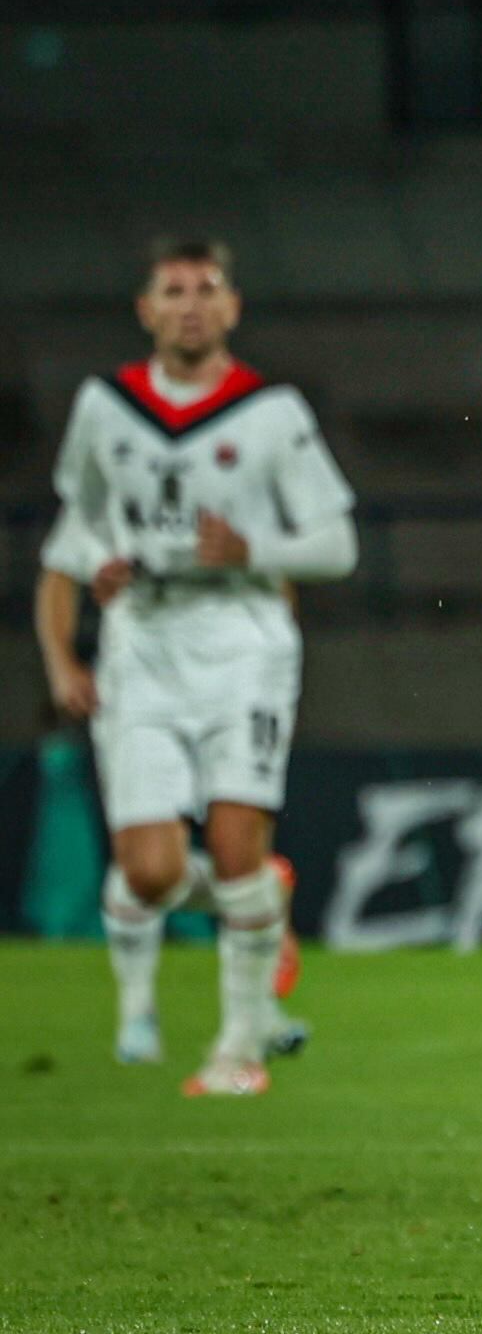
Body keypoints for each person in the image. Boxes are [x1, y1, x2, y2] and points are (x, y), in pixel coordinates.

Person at [35, 237, 355, 1096]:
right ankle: (257, 909)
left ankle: (237, 1052)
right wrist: (91, 588)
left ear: (231, 308)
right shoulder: (105, 407)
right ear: (145, 308)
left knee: (233, 843)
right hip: (142, 644)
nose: (189, 304)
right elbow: (76, 533)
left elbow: (337, 542)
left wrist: (254, 549)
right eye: (172, 290)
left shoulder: (271, 411)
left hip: (244, 641)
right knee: (149, 871)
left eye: (206, 289)